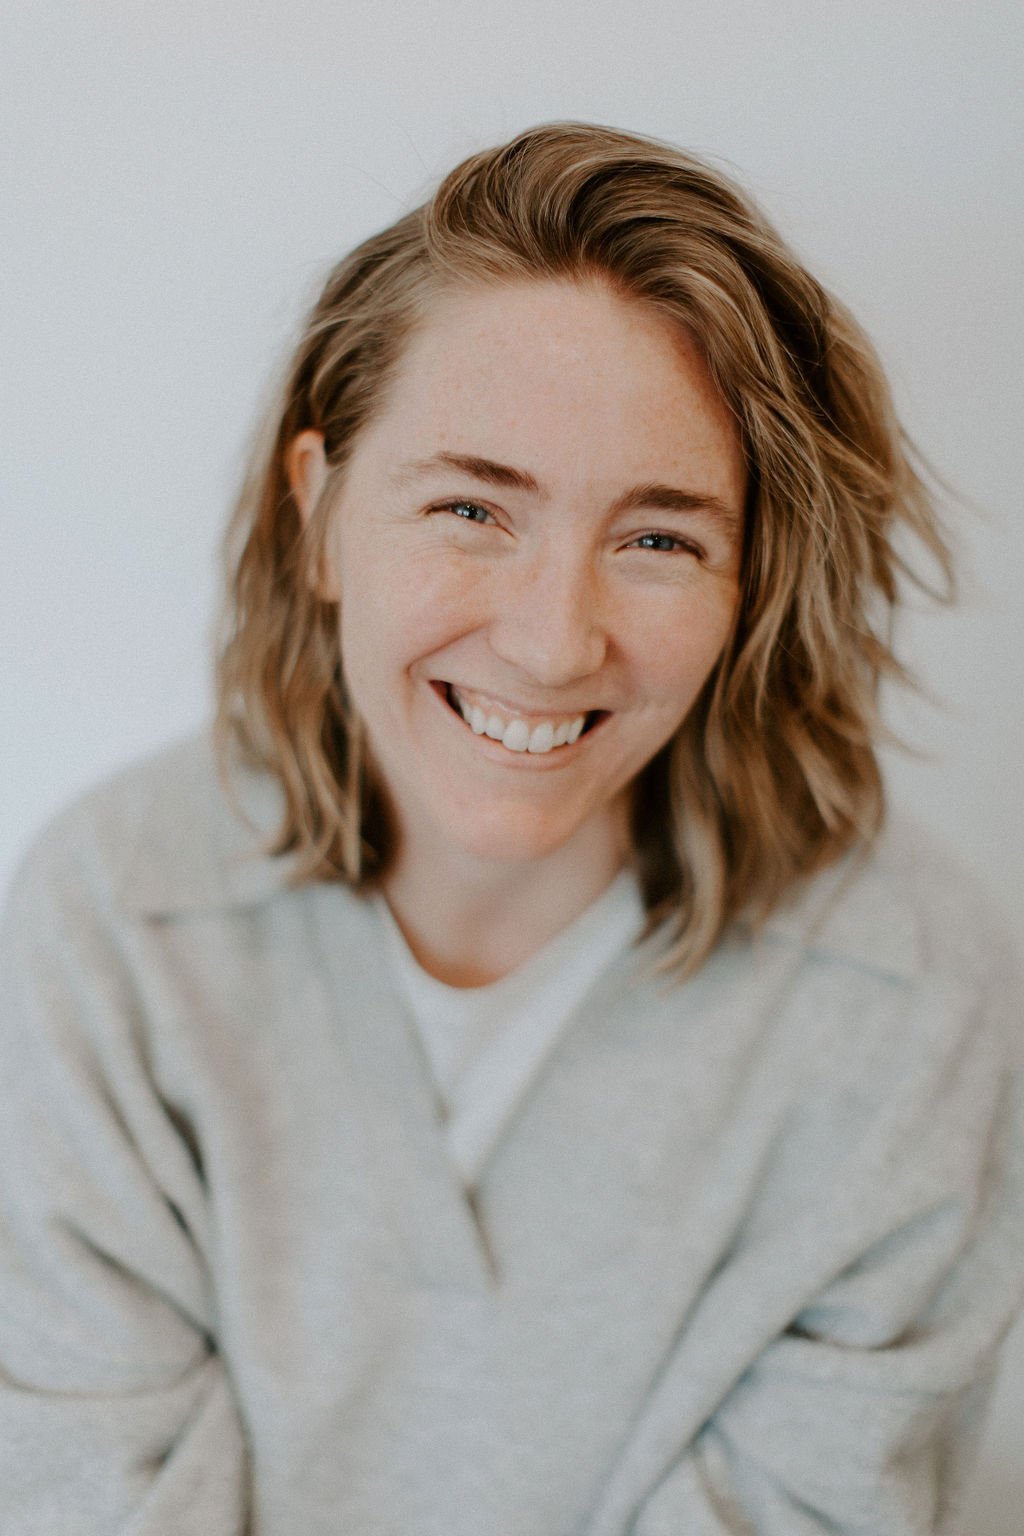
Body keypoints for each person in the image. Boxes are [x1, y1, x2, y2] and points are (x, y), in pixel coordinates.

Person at [0, 122, 1021, 1536]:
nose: (551, 645)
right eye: (474, 506)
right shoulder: (107, 928)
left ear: (751, 582)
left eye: (660, 538)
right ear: (320, 512)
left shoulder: (909, 997)